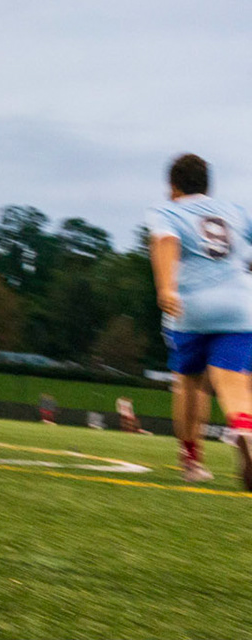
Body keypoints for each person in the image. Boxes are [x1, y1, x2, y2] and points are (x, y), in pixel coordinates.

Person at [144, 152, 252, 487]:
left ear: (173, 186)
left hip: (192, 311)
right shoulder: (236, 213)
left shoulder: (168, 211)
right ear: (207, 185)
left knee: (189, 385)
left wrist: (166, 289)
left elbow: (166, 243)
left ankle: (192, 459)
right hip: (238, 307)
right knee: (233, 384)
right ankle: (246, 431)